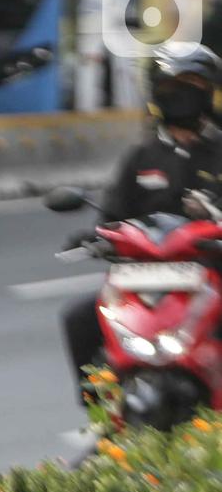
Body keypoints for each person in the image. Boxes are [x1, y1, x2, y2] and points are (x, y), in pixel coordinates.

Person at [61, 43, 222, 401]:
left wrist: (211, 214)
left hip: (212, 275)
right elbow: (112, 218)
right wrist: (94, 238)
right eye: (169, 85)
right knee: (79, 318)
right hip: (145, 279)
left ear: (208, 91)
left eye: (190, 83)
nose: (179, 93)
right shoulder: (141, 156)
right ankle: (103, 410)